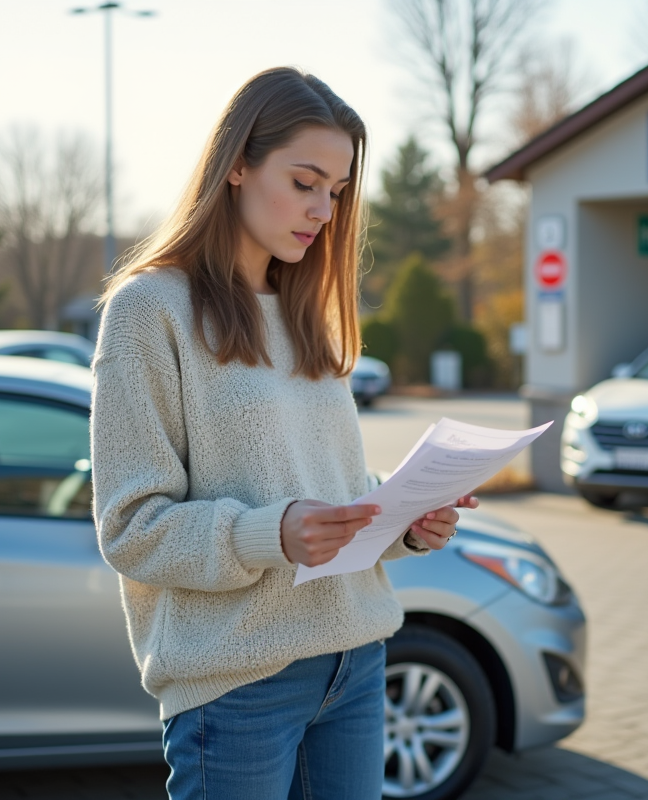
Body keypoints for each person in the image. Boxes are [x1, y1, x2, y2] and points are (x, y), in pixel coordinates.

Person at [89, 67, 477, 800]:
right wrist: (274, 533)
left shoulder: (305, 313)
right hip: (238, 686)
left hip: (355, 662)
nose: (323, 210)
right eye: (304, 182)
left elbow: (330, 499)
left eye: (336, 191)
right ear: (237, 164)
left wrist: (406, 521)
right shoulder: (148, 311)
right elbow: (130, 530)